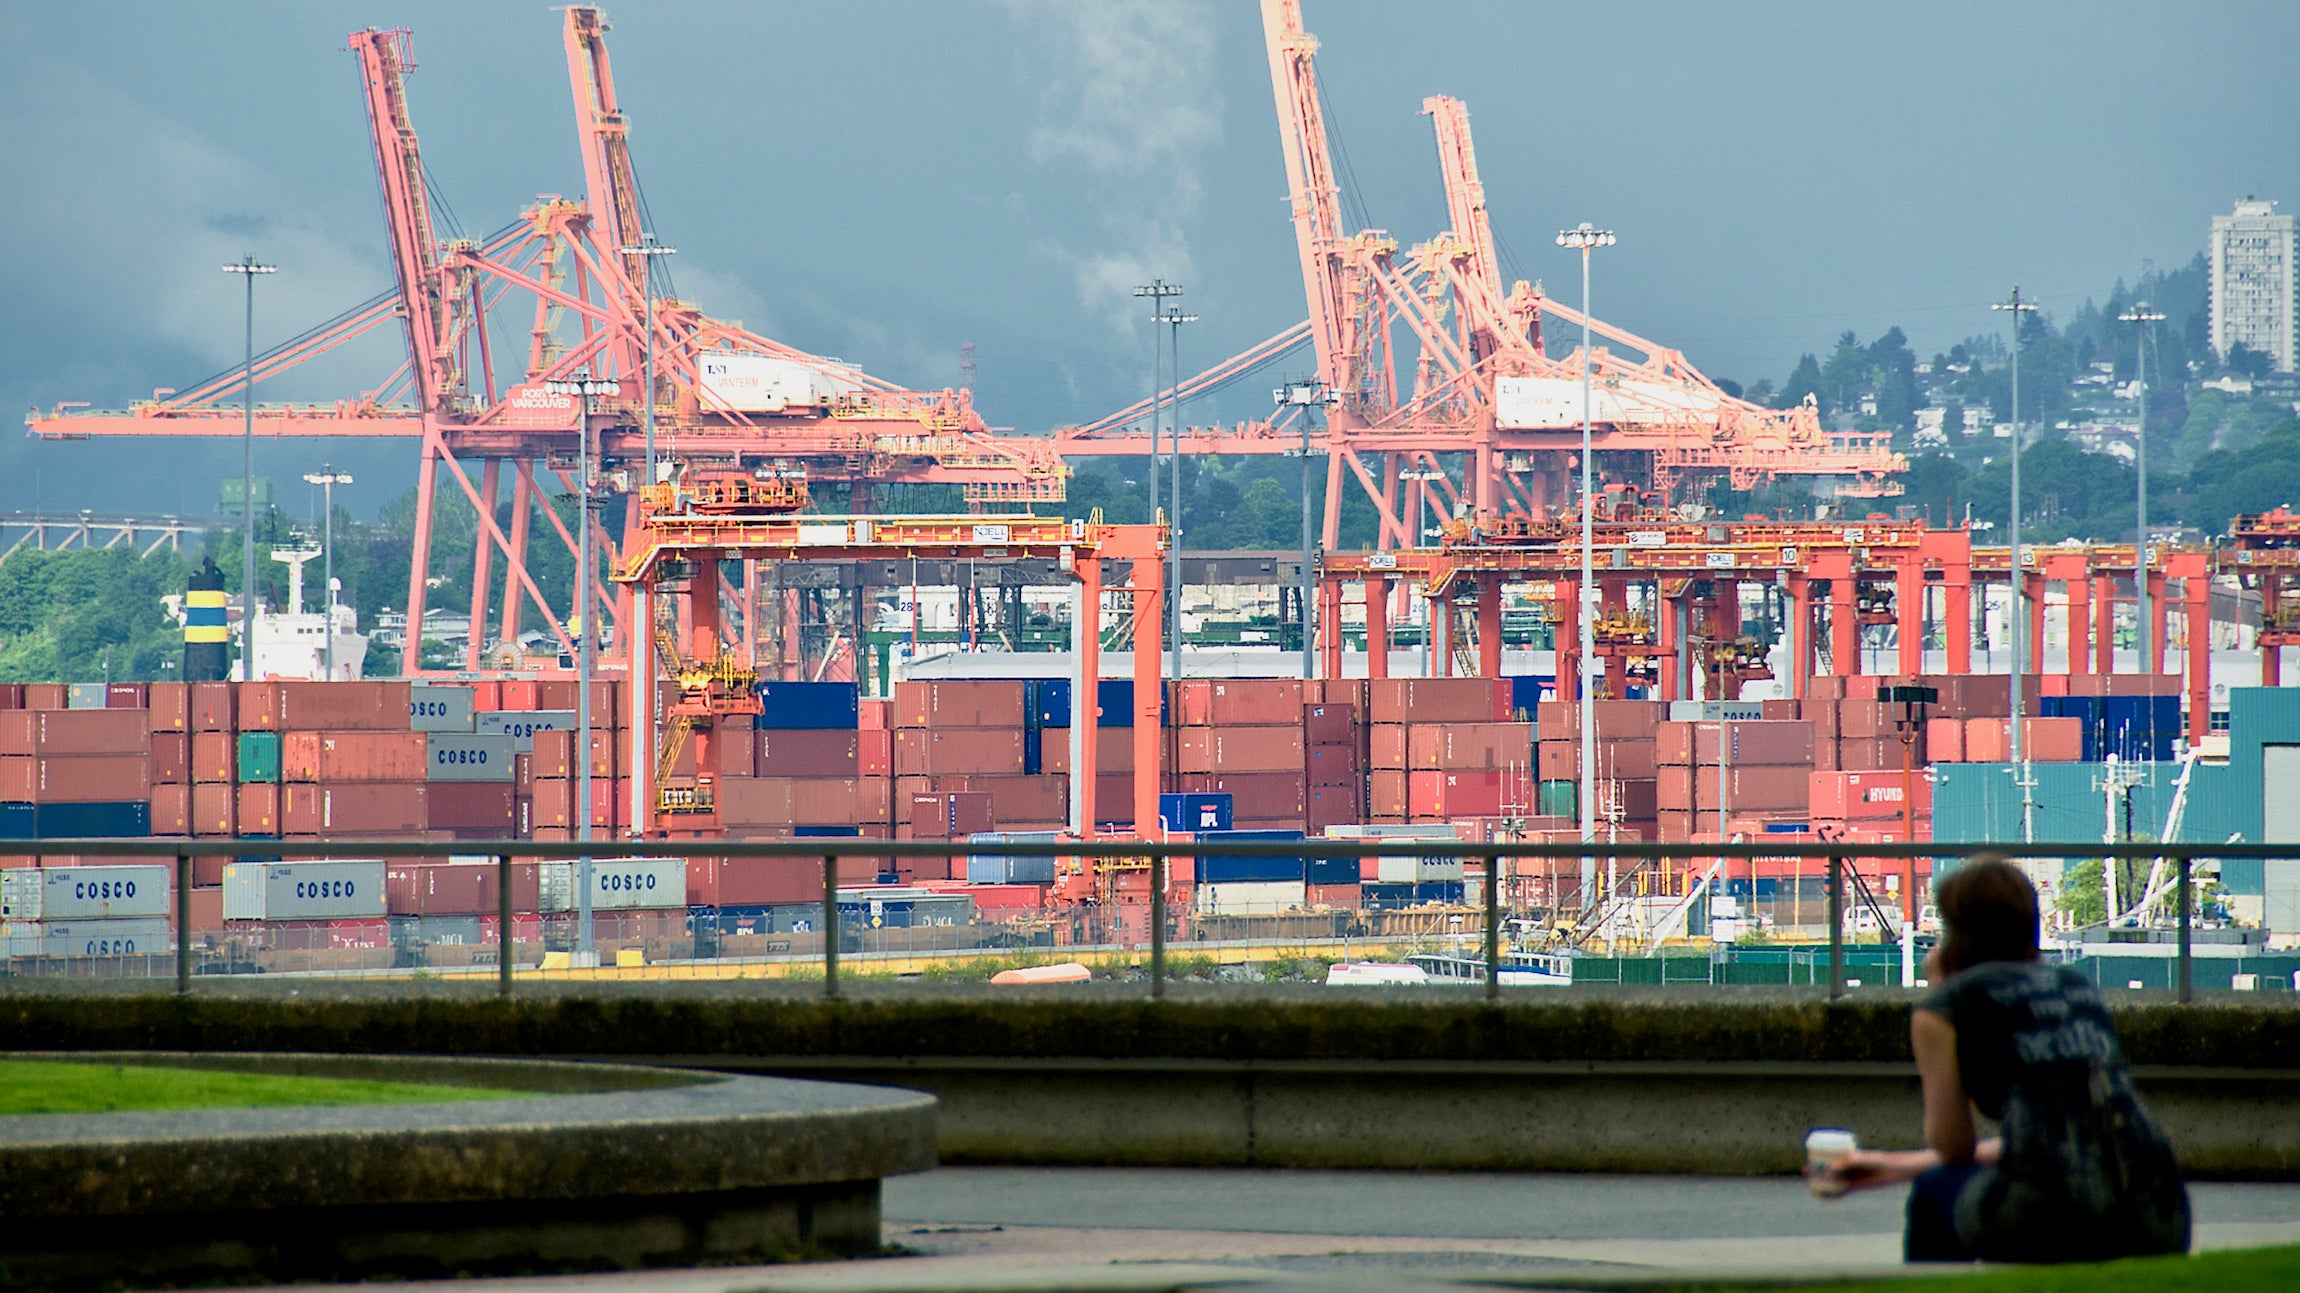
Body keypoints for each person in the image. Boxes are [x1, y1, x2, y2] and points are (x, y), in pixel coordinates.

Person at [1817, 856, 2190, 1263]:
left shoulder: (1947, 1006)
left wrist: (1943, 990)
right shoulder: (2076, 987)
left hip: (2056, 1220)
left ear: (1956, 935)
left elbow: (1954, 1149)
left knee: (1934, 1191)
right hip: (2159, 1213)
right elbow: (2059, 1135)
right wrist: (1891, 1165)